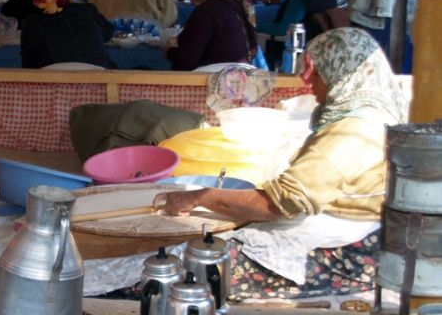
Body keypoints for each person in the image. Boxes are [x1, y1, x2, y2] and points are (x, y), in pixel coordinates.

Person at [153, 28, 407, 300]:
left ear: (340, 72)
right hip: (357, 234)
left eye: (316, 72)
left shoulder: (353, 132)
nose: (308, 81)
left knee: (183, 268)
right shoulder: (376, 109)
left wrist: (201, 196)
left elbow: (277, 204)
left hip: (337, 251)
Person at [166, 0, 257, 71]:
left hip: (208, 84)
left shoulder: (208, 11)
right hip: (235, 82)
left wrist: (169, 52)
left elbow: (186, 61)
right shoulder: (239, 8)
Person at [20, 0, 113, 69]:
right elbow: (108, 32)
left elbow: (28, 65)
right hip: (99, 80)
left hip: (53, 82)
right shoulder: (87, 11)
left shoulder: (31, 23)